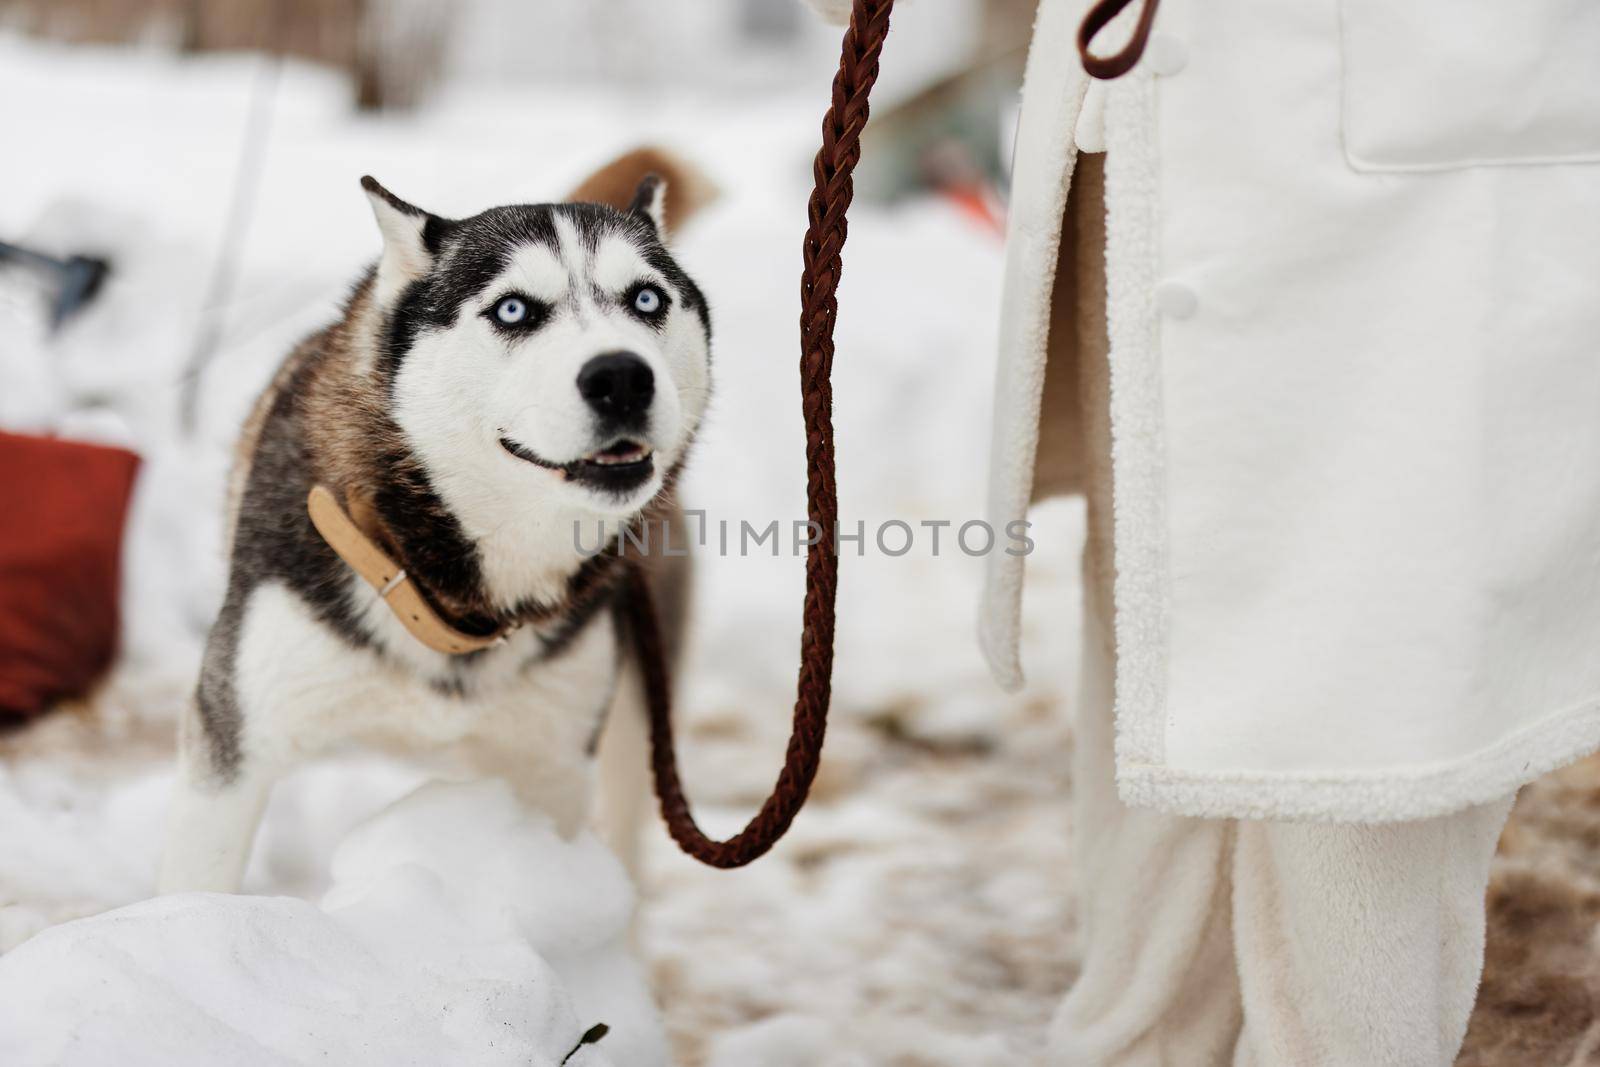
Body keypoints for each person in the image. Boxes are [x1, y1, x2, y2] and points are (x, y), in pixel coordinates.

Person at [971, 0, 1600, 1064]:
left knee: (1372, 698)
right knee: (1163, 637)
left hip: (1413, 154)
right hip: (1150, 123)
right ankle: (1148, 1040)